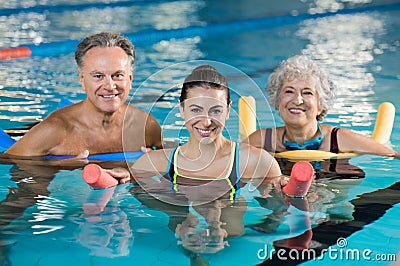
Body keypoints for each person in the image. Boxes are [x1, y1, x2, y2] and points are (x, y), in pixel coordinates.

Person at [123, 65, 285, 198]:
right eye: (196, 110)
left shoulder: (257, 163)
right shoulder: (151, 164)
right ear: (182, 109)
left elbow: (274, 221)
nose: (206, 122)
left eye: (216, 111)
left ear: (228, 110)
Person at [5, 32, 162, 157]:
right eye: (98, 76)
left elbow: (174, 161)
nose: (109, 86)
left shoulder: (146, 126)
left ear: (130, 78)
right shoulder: (55, 129)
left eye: (117, 75)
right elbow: (9, 160)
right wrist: (59, 166)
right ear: (82, 79)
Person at [244, 55, 398, 157]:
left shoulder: (339, 139)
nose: (297, 100)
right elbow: (228, 160)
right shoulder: (262, 140)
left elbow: (392, 155)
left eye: (307, 93)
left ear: (320, 106)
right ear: (277, 101)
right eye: (289, 91)